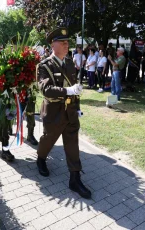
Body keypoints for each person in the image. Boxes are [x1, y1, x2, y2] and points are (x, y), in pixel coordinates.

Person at [36, 28, 91, 199]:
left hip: (71, 111)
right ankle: (41, 158)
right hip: (53, 112)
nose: (67, 45)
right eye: (63, 42)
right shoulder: (44, 66)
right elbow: (46, 90)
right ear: (53, 44)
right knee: (48, 139)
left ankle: (74, 179)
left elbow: (75, 90)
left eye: (68, 42)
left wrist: (78, 106)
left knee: (72, 144)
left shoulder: (69, 63)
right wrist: (68, 90)